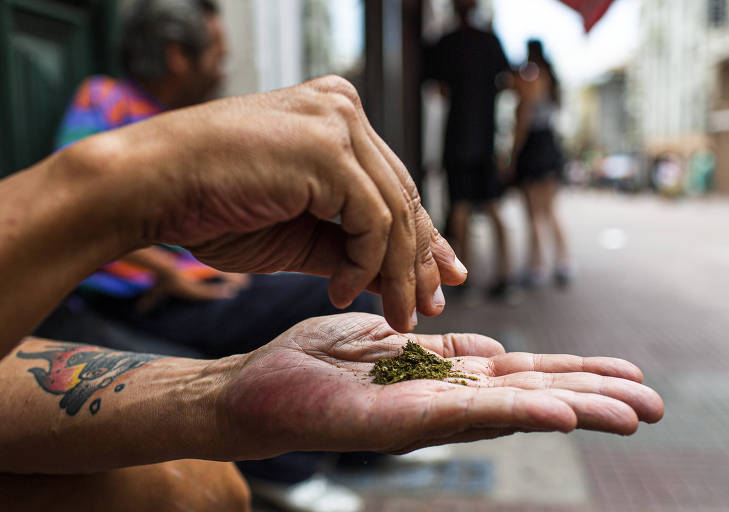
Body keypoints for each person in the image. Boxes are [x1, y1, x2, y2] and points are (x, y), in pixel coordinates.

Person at [0, 76, 664, 510]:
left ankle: (300, 460)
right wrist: (125, 190)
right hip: (128, 300)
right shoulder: (107, 107)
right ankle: (291, 477)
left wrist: (218, 397)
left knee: (201, 489)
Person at [39, 2, 376, 510]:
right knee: (309, 319)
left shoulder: (176, 119)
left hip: (202, 282)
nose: (224, 64)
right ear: (177, 56)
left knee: (351, 293)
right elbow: (72, 204)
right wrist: (172, 273)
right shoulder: (105, 99)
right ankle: (284, 473)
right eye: (217, 52)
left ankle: (363, 447)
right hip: (138, 298)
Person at [424, 0, 513, 299]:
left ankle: (465, 281)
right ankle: (504, 276)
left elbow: (437, 88)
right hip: (485, 137)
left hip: (457, 137)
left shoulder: (445, 43)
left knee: (460, 206)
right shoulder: (490, 40)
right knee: (492, 207)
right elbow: (506, 80)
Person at [509, 40, 571, 289]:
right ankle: (563, 261)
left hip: (534, 149)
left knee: (534, 213)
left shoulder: (530, 79)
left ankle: (537, 267)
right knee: (550, 211)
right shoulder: (551, 80)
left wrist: (512, 155)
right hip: (549, 147)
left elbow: (522, 122)